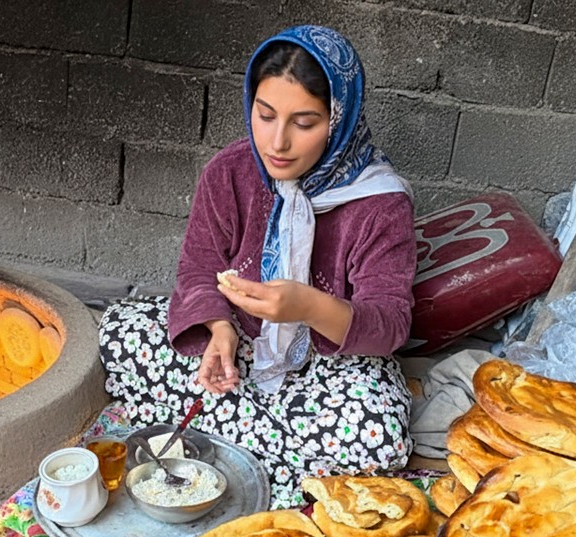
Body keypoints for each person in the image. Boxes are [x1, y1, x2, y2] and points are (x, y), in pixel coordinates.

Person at [98, 25, 416, 509]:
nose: (278, 142)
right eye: (265, 116)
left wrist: (309, 306)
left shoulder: (379, 203)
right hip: (239, 348)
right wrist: (218, 330)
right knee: (118, 332)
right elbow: (199, 266)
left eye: (304, 123)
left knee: (378, 435)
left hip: (327, 368)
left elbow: (390, 324)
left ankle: (223, 431)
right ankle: (281, 449)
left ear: (339, 120)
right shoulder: (231, 172)